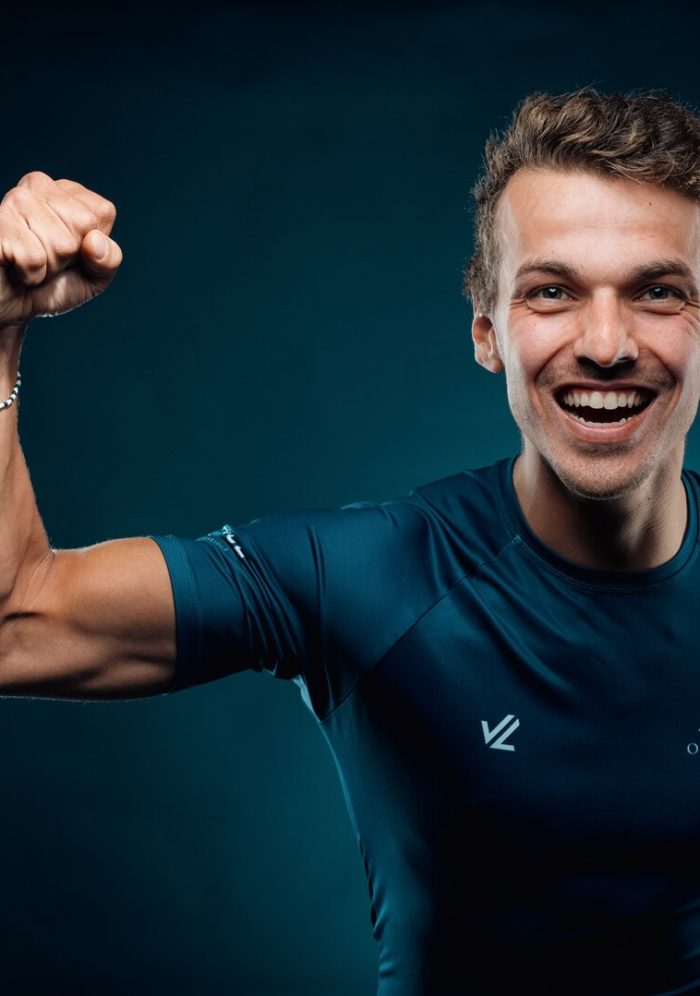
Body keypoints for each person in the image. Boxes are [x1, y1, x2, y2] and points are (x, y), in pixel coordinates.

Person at [0, 86, 699, 995]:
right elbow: (17, 625)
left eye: (657, 291)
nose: (606, 344)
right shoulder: (374, 576)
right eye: (552, 292)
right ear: (488, 333)